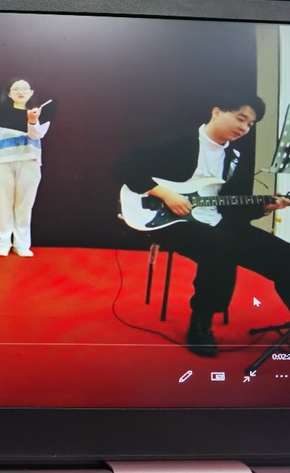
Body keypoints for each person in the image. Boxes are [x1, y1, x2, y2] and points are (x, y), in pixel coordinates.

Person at [116, 92, 290, 357]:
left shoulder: (236, 157)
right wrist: (165, 194)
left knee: (284, 255)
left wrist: (264, 207)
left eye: (250, 124)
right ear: (217, 112)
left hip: (216, 220)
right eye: (240, 118)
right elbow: (124, 167)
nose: (244, 128)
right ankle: (201, 322)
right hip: (170, 221)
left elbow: (234, 207)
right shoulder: (178, 142)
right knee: (221, 246)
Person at [0, 77, 51, 257]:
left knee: (24, 206)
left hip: (29, 162)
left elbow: (36, 136)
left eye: (25, 89)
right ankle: (3, 243)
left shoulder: (40, 114)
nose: (21, 92)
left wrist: (33, 121)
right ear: (9, 93)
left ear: (31, 92)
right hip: (1, 162)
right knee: (2, 204)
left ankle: (22, 244)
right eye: (16, 89)